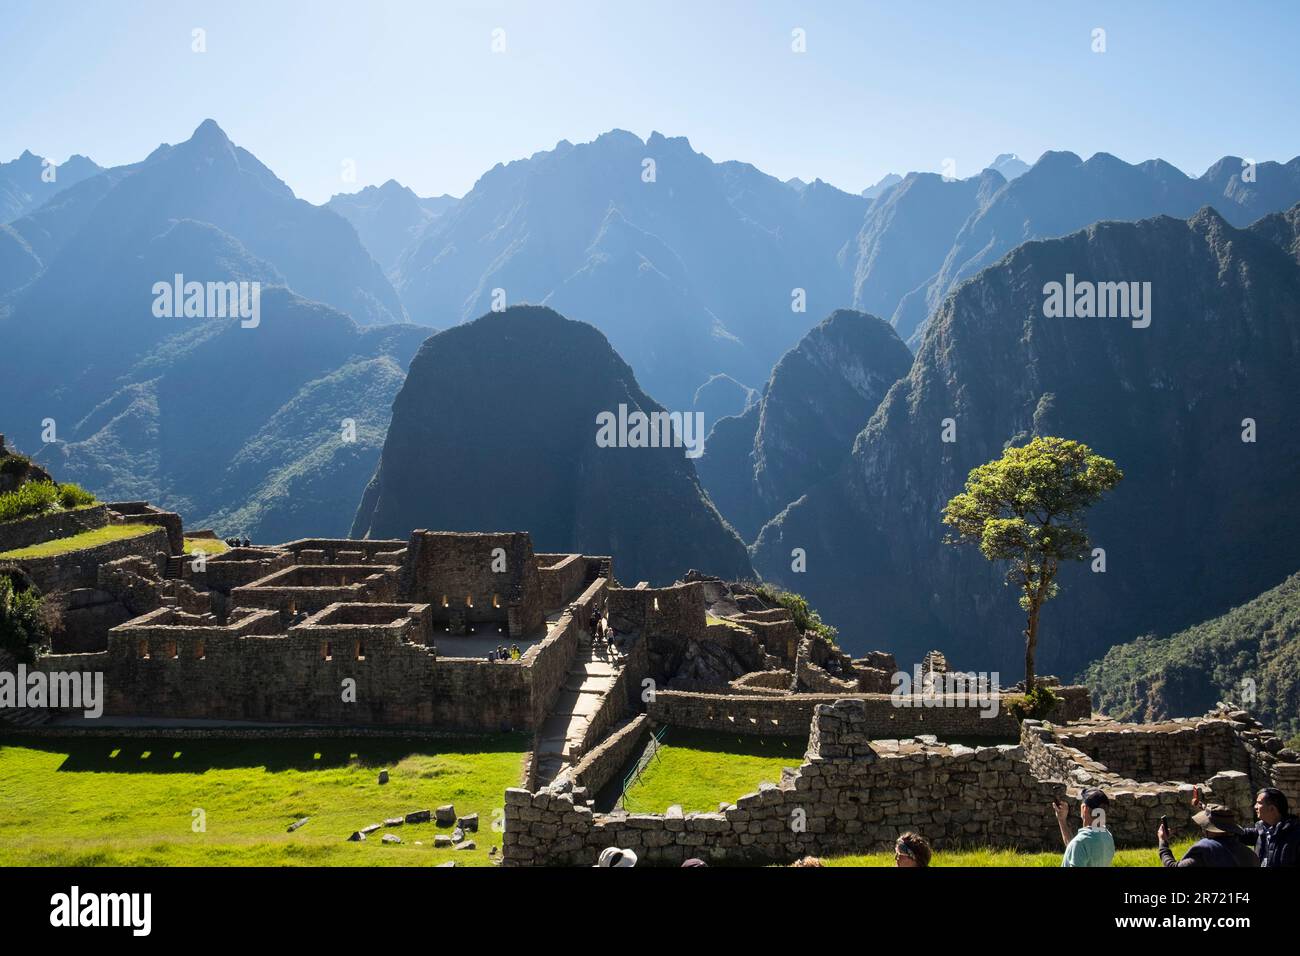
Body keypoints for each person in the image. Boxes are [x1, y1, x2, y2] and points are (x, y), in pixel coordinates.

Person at [1159, 799, 1259, 867]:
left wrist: (1163, 842)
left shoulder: (1205, 850)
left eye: (1205, 825)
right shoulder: (1250, 856)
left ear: (1209, 829)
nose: (1203, 828)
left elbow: (1172, 866)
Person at [1055, 787, 1115, 867]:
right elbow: (1075, 849)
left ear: (1084, 808)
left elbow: (1077, 847)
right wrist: (1062, 820)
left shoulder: (1080, 843)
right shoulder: (1107, 837)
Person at [1241, 788, 1300, 867]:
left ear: (1272, 808)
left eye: (1259, 803)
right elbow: (1241, 834)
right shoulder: (1262, 830)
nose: (1255, 807)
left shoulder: (1295, 835)